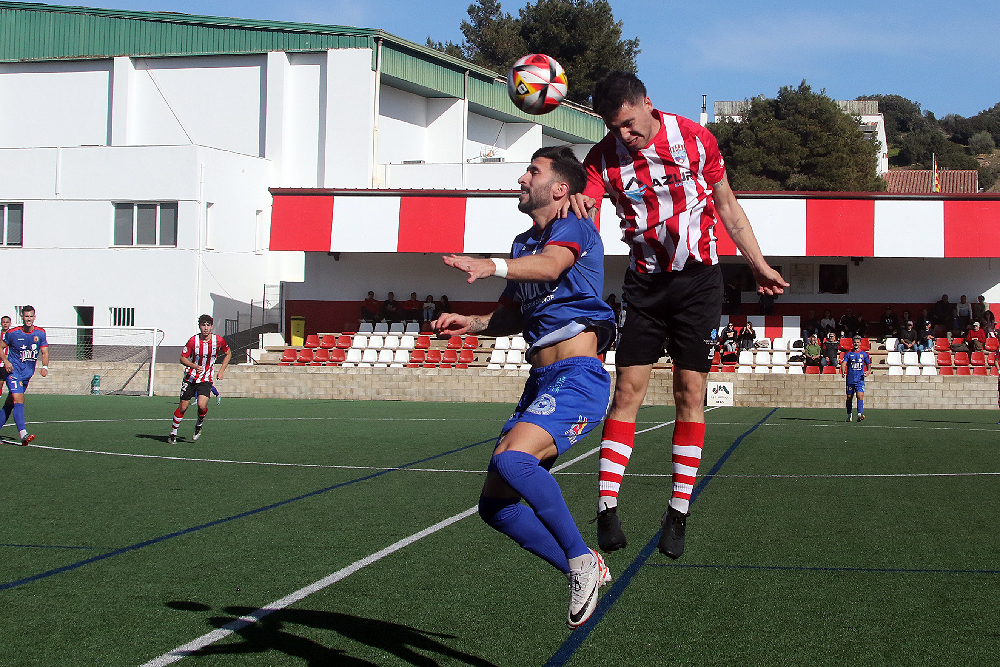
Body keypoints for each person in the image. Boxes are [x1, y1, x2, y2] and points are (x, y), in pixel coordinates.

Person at [566, 71, 787, 557]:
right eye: (612, 126)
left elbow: (727, 206)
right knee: (626, 390)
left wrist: (759, 265)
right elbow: (589, 208)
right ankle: (606, 507)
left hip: (699, 282)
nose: (624, 134)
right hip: (644, 284)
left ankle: (678, 513)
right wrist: (582, 201)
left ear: (647, 102)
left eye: (627, 123)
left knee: (691, 392)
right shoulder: (601, 159)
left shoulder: (695, 139)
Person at [433, 146, 617, 628]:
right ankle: (586, 567)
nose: (521, 177)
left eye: (532, 171)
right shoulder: (521, 243)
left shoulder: (572, 226)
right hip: (541, 379)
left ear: (560, 188)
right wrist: (469, 323)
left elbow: (553, 266)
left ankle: (580, 559)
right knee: (495, 507)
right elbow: (511, 316)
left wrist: (490, 265)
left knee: (512, 460)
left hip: (579, 376)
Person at [168, 314, 231, 444]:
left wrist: (221, 371)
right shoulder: (193, 341)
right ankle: (173, 433)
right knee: (183, 408)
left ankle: (199, 424)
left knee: (202, 406)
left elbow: (228, 353)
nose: (205, 328)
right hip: (190, 378)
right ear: (199, 326)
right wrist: (193, 366)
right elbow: (182, 358)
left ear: (212, 326)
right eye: (203, 325)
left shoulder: (218, 340)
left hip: (206, 378)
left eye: (208, 325)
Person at [0, 306, 48, 445]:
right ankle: (23, 434)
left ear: (34, 317)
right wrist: (6, 360)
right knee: (18, 400)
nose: (28, 319)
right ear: (22, 317)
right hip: (13, 373)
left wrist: (45, 367)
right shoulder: (13, 333)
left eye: (31, 316)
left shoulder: (40, 333)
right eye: (26, 316)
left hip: (27, 374)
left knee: (9, 404)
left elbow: (45, 352)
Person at [841, 335, 871, 422]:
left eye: (858, 342)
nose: (856, 344)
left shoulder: (864, 354)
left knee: (860, 395)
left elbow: (869, 365)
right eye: (855, 342)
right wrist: (843, 371)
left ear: (860, 343)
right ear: (852, 343)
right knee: (849, 397)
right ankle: (849, 414)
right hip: (850, 379)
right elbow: (844, 363)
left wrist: (868, 371)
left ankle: (859, 414)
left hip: (860, 379)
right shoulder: (849, 354)